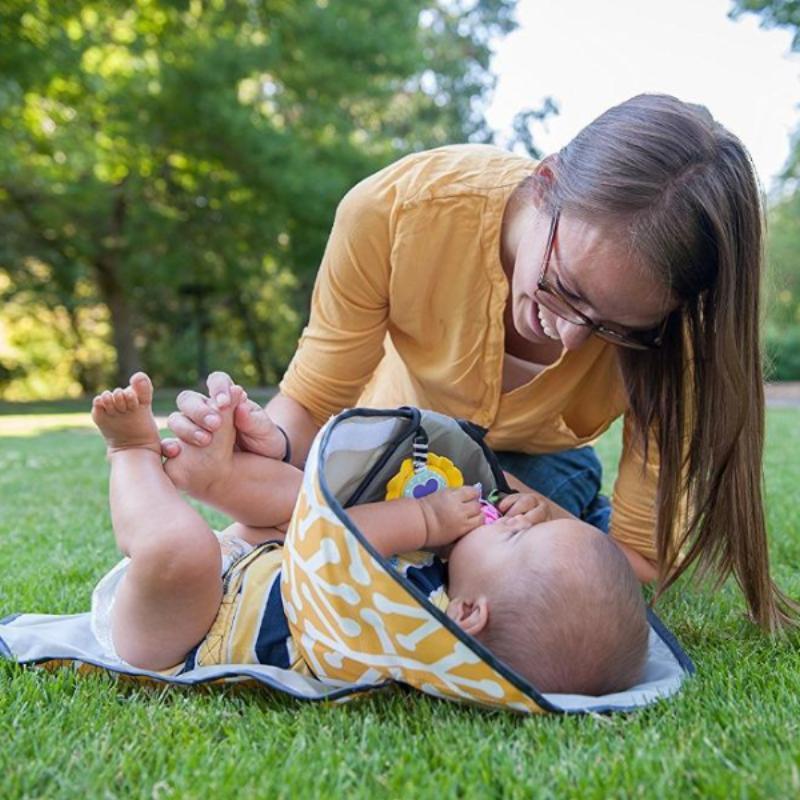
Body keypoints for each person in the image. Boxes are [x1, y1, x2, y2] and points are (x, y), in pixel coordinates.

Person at [163, 93, 797, 631]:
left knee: (511, 587)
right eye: (565, 287)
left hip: (533, 472)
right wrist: (263, 444)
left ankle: (567, 514)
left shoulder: (677, 337)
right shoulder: (393, 213)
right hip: (381, 443)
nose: (572, 337)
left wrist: (552, 528)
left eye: (614, 329)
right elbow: (311, 403)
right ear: (546, 182)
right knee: (307, 517)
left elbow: (640, 563)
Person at [89, 372, 648, 694]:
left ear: (469, 614)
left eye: (518, 535)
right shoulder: (446, 583)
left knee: (180, 549)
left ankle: (131, 455)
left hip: (182, 632)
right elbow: (314, 517)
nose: (517, 518)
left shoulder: (413, 637)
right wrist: (522, 512)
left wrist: (425, 520)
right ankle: (219, 478)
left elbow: (329, 541)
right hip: (252, 568)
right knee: (305, 497)